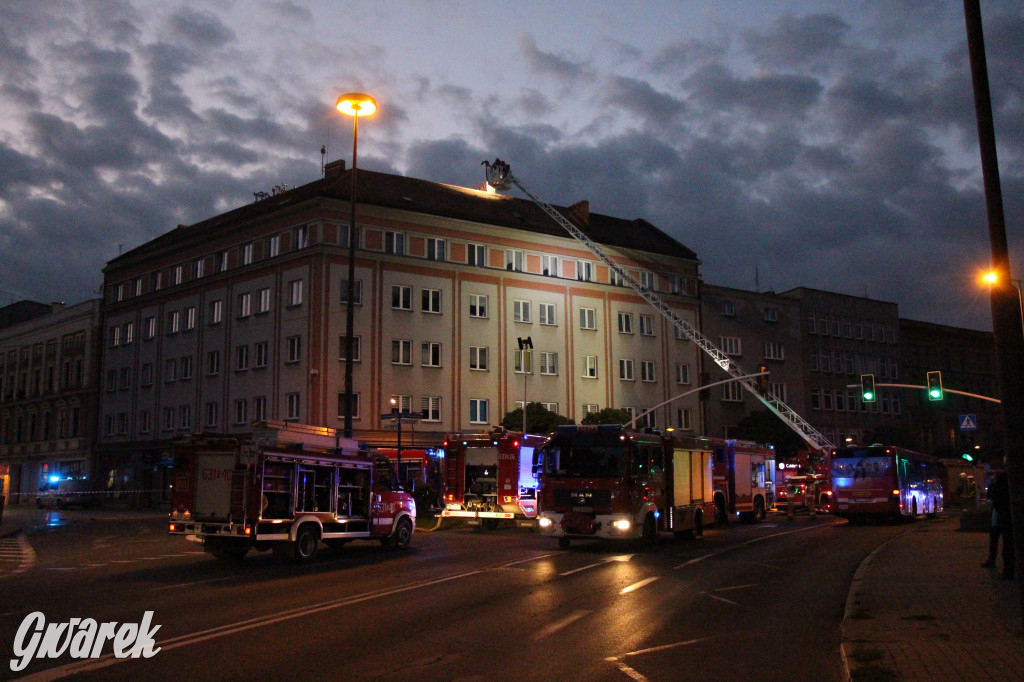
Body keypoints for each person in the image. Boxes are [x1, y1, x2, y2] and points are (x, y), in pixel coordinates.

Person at [982, 468, 1014, 580]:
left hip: (1000, 519)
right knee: (1007, 544)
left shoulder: (998, 488)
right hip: (1004, 519)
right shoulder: (1008, 488)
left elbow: (993, 499)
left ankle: (1006, 569)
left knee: (1002, 543)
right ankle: (1008, 568)